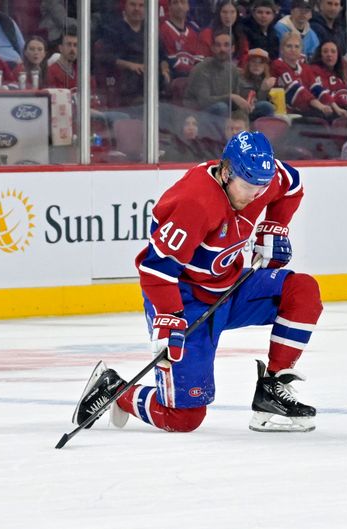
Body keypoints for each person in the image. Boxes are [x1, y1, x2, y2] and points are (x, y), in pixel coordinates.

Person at [72, 131, 323, 433]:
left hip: (231, 288)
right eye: (248, 188)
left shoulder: (256, 178)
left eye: (262, 188)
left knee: (302, 291)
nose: (256, 196)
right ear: (227, 172)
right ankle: (115, 390)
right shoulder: (194, 203)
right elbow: (156, 270)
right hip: (185, 302)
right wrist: (168, 317)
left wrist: (275, 226)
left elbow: (292, 185)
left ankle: (272, 386)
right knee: (184, 419)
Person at [197, 0, 249, 67]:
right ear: (219, 14)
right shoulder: (207, 34)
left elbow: (245, 57)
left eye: (232, 12)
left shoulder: (241, 35)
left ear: (237, 14)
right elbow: (202, 60)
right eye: (224, 12)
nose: (228, 16)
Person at [238, 47, 276, 121]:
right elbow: (251, 106)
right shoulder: (241, 80)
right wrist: (263, 90)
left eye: (261, 62)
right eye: (253, 61)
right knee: (266, 106)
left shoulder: (267, 81)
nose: (256, 65)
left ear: (265, 66)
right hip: (243, 114)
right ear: (248, 63)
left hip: (259, 118)